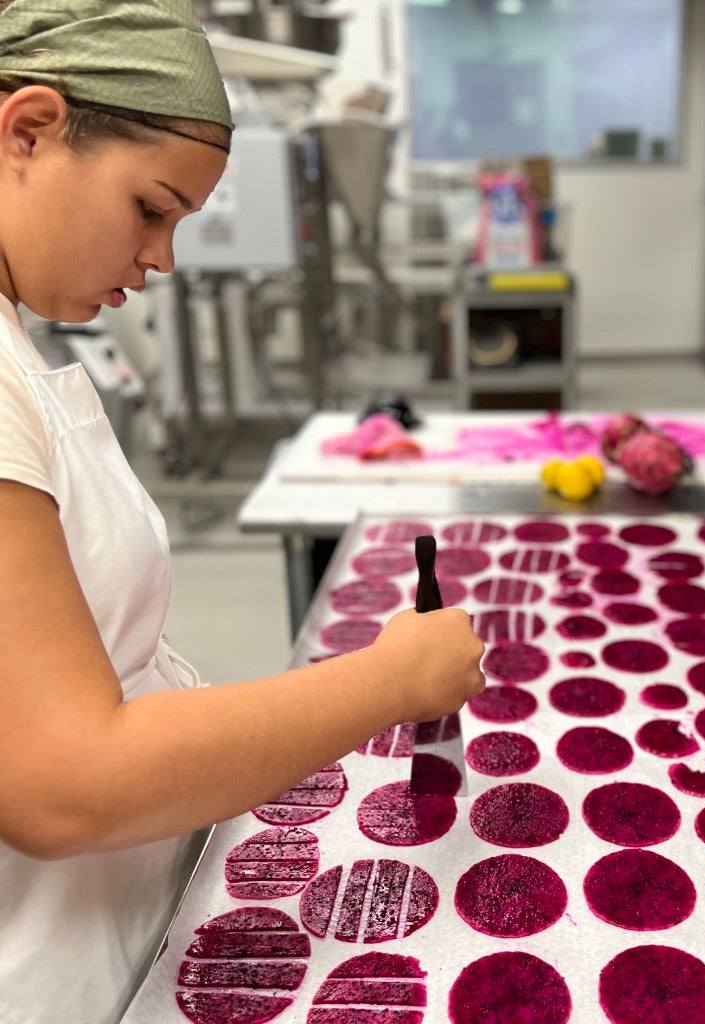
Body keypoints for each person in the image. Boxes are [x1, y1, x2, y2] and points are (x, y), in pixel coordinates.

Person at [0, 4, 486, 1023]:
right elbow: (64, 784)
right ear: (28, 130)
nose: (162, 259)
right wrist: (391, 678)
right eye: (151, 206)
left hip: (124, 917)